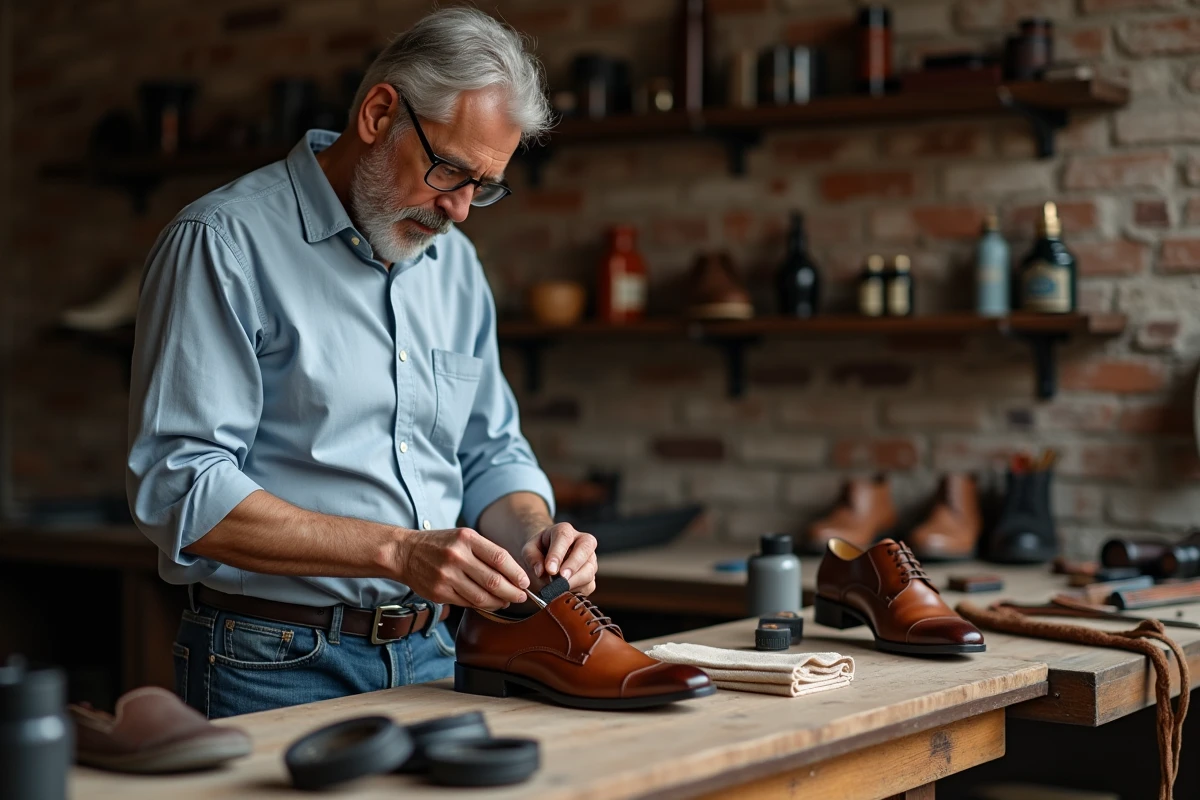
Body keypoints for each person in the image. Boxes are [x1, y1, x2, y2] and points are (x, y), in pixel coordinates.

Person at [126, 8, 596, 719]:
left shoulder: (455, 267)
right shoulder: (223, 243)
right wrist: (398, 552)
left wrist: (535, 538)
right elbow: (179, 488)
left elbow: (488, 453)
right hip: (273, 658)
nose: (462, 210)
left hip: (440, 652)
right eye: (449, 170)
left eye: (485, 186)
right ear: (380, 113)